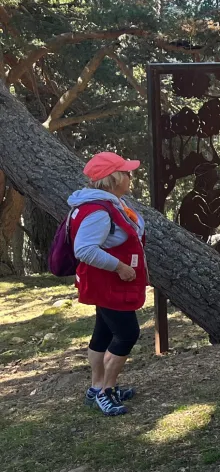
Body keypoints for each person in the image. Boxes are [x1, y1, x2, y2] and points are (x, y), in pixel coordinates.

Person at [67, 151, 146, 417]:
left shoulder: (101, 204)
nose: (130, 176)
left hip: (104, 284)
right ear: (112, 179)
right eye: (126, 172)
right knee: (127, 334)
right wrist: (121, 267)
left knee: (102, 333)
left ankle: (95, 388)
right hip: (110, 283)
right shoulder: (100, 211)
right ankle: (106, 391)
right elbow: (85, 249)